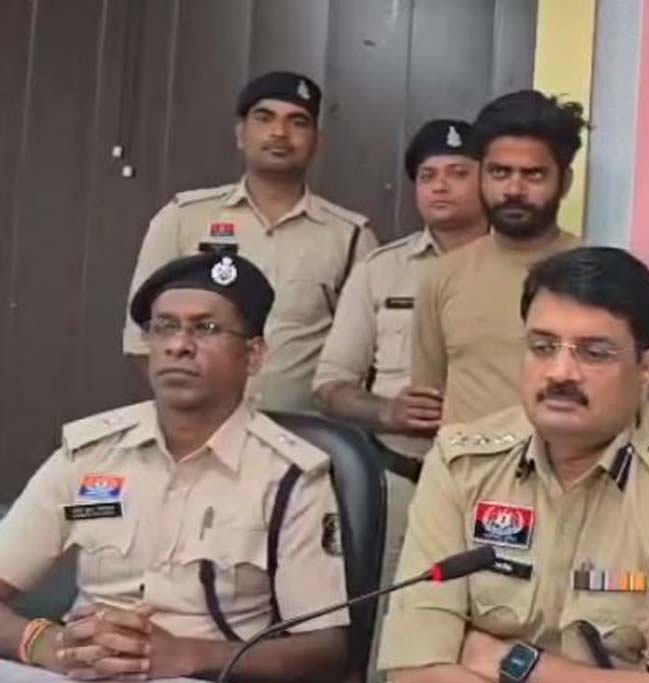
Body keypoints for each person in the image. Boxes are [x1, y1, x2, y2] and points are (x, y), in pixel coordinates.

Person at [377, 247, 649, 682]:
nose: (559, 372)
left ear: (646, 369)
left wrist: (511, 660)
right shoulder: (461, 462)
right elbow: (413, 671)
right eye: (542, 347)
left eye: (594, 353)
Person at [0, 253, 348, 681]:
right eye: (164, 327)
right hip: (81, 672)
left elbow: (325, 650)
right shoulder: (90, 456)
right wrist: (45, 643)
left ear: (254, 355)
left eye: (206, 328)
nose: (178, 345)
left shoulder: (289, 476)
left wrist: (190, 656)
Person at [123, 70, 378, 412]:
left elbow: (366, 356)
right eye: (264, 118)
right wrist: (193, 411)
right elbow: (142, 340)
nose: (279, 132)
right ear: (241, 134)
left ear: (317, 142)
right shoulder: (183, 218)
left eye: (298, 122)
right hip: (203, 429)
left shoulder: (351, 237)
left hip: (305, 434)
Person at [314, 118, 488, 475]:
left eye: (458, 173)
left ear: (487, 181)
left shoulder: (520, 269)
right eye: (427, 176)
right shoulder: (379, 269)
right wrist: (387, 411)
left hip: (493, 471)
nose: (440, 186)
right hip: (399, 473)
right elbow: (329, 386)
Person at [409, 90, 582, 425]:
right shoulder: (443, 275)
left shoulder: (600, 276)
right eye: (500, 173)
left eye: (533, 174)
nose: (514, 190)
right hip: (463, 459)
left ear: (564, 182)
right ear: (482, 176)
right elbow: (429, 399)